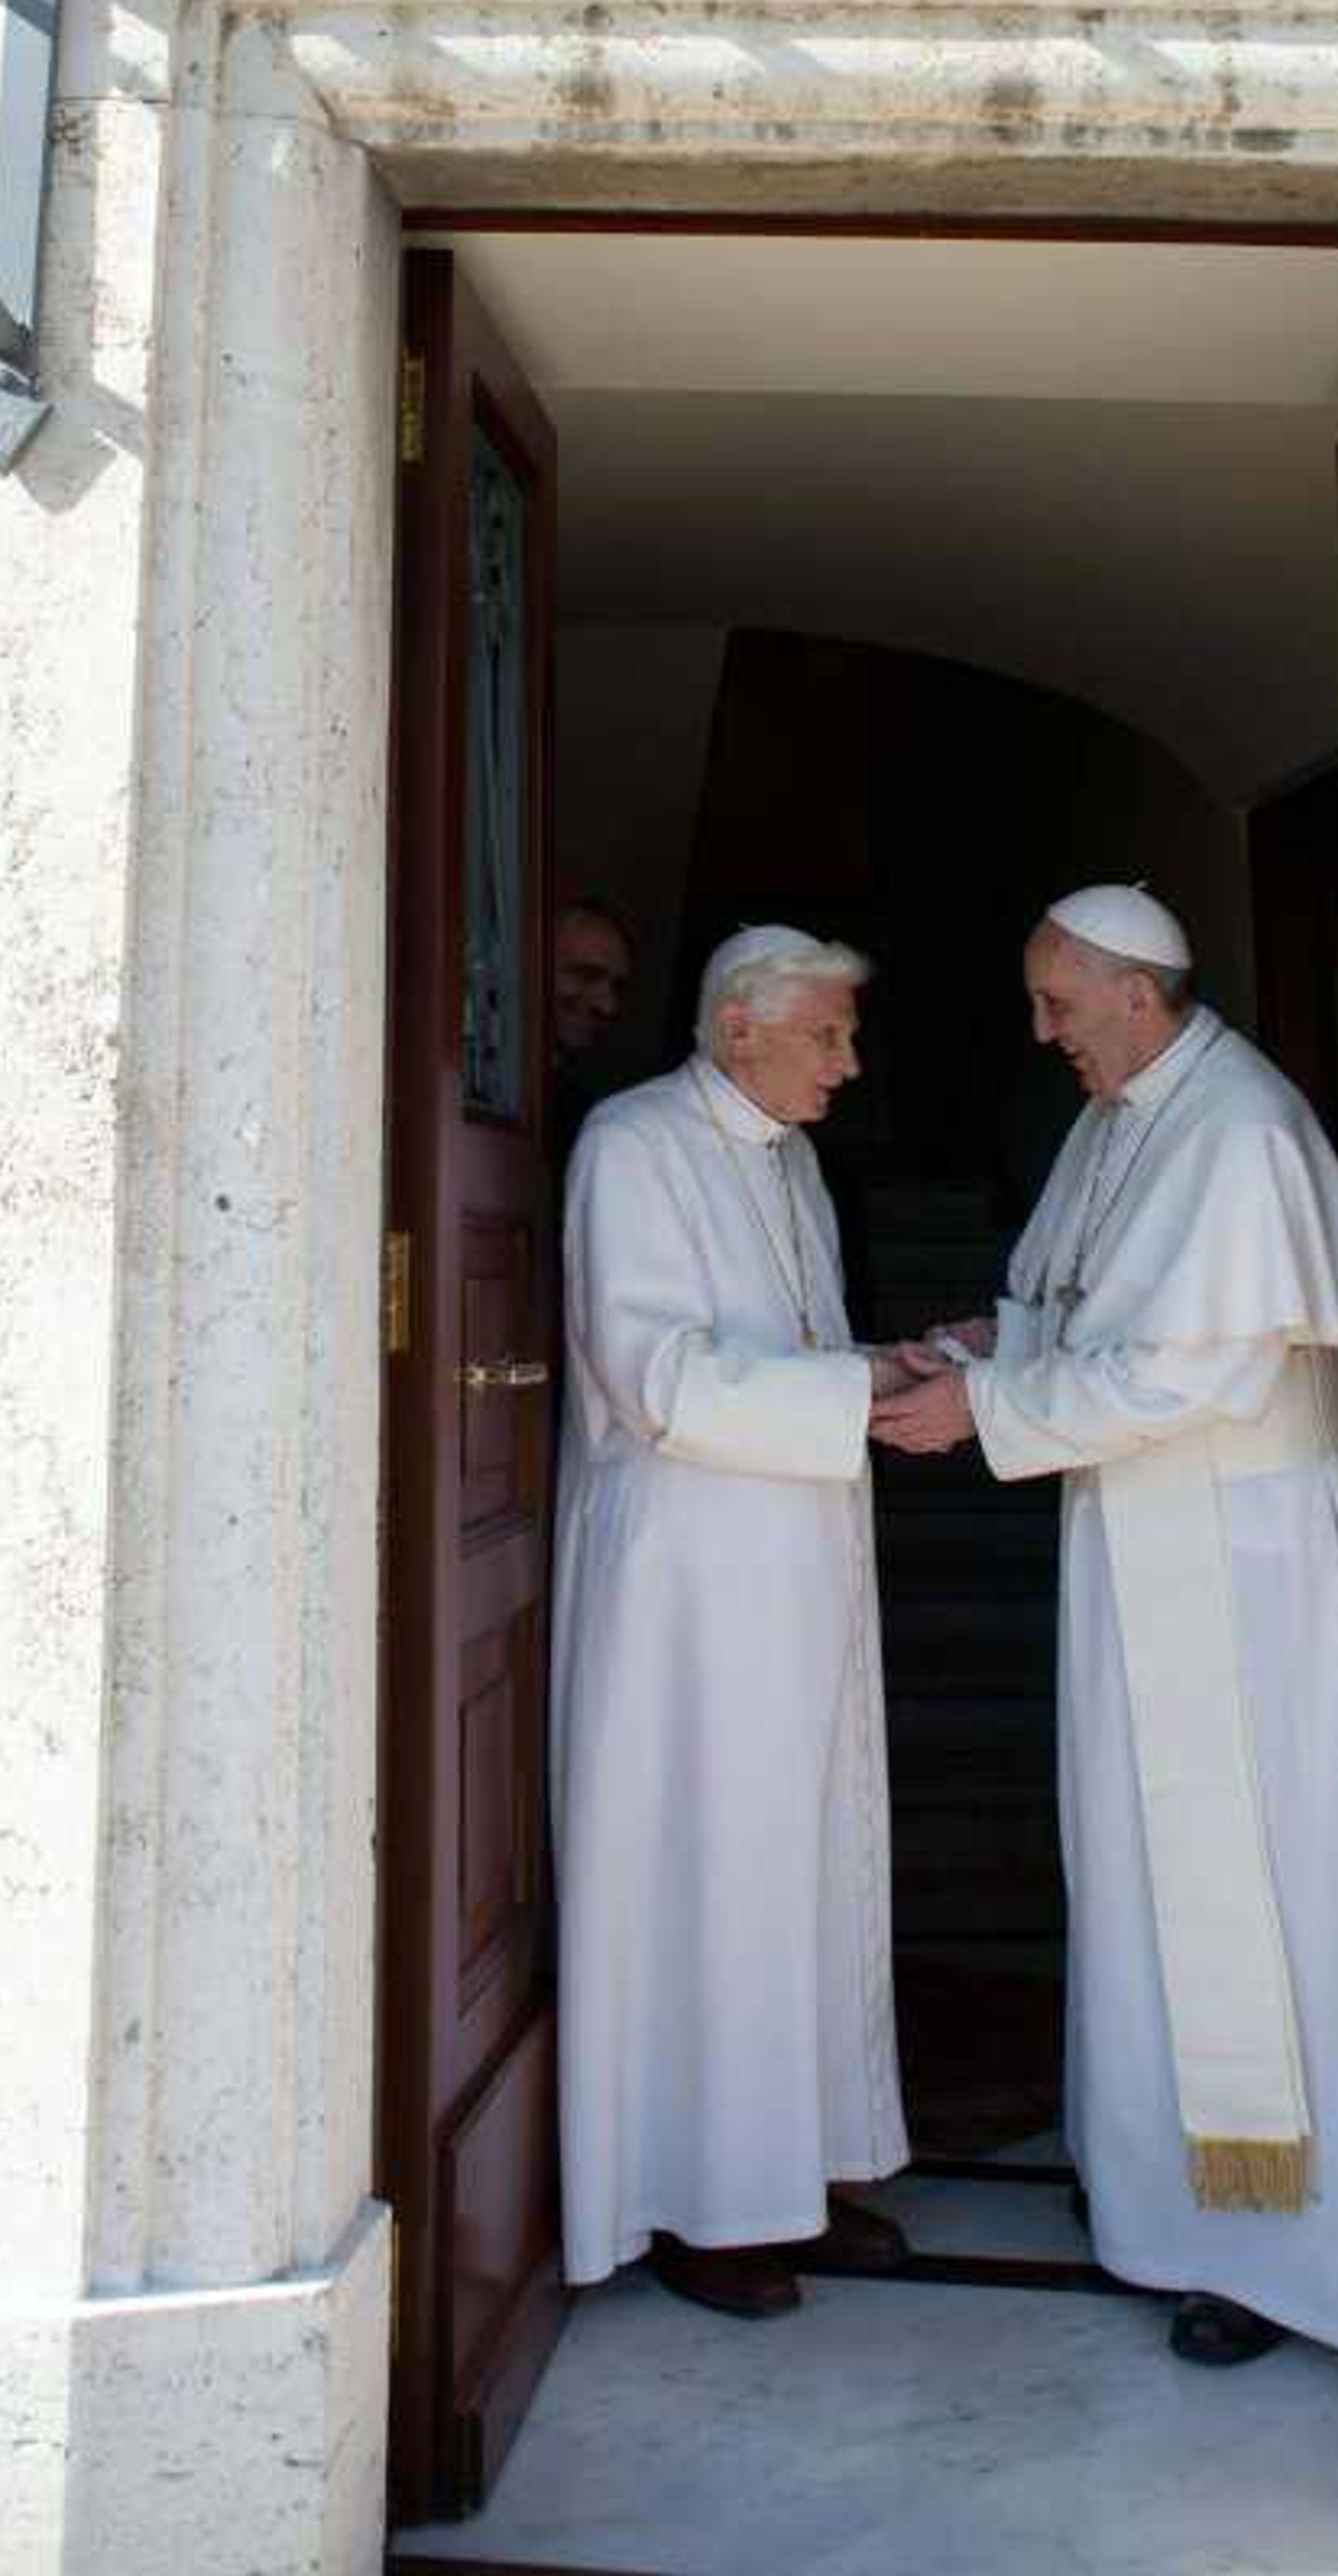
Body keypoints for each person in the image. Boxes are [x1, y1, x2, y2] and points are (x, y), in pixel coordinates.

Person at [874, 883, 1338, 2367]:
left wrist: (979, 1408)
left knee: (1262, 1880)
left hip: (1251, 1559)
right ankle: (1165, 2200)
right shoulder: (1128, 1120)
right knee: (1136, 1870)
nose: (1044, 1034)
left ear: (1135, 989)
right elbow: (1111, 1322)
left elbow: (1192, 1377)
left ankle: (1290, 2253)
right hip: (1148, 1532)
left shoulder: (1238, 1129)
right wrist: (999, 1343)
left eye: (1061, 1005)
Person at [552, 921, 912, 2317]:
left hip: (798, 1569)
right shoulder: (634, 1149)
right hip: (690, 1598)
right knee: (709, 1882)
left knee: (802, 1876)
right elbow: (659, 1376)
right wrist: (866, 1391)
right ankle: (700, 2206)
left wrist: (882, 1373)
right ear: (739, 1027)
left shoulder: (794, 1158)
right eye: (828, 1034)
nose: (849, 1063)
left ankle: (794, 2176)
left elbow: (804, 1355)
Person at [551, 895, 636, 1158]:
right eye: (586, 975)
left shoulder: (587, 1120)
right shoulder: (478, 1088)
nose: (608, 1006)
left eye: (617, 987)